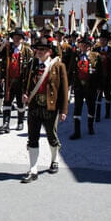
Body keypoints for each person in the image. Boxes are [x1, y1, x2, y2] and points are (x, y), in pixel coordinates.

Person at [21, 35, 68, 183]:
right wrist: (25, 93)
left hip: (50, 107)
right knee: (32, 138)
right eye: (37, 49)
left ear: (50, 51)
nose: (39, 52)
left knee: (51, 137)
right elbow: (25, 82)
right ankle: (33, 169)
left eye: (42, 49)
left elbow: (63, 90)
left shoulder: (58, 66)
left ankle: (54, 160)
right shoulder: (31, 64)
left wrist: (64, 110)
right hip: (35, 106)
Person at [0, 27, 33, 133]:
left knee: (20, 102)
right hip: (9, 81)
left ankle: (20, 122)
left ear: (22, 39)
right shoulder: (8, 48)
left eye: (18, 38)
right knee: (7, 101)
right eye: (14, 38)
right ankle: (6, 123)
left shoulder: (27, 50)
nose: (16, 40)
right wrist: (3, 45)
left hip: (21, 81)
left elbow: (31, 66)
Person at [69, 34, 102, 140]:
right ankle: (76, 132)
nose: (83, 47)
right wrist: (70, 84)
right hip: (78, 87)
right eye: (81, 45)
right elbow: (70, 70)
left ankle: (90, 126)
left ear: (89, 46)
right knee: (77, 108)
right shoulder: (76, 55)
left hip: (91, 87)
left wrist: (99, 86)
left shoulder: (95, 56)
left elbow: (100, 73)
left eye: (85, 45)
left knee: (91, 107)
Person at [92, 30, 111, 121]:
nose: (101, 41)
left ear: (107, 41)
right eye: (100, 39)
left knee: (107, 95)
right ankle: (97, 115)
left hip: (108, 77)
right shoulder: (95, 50)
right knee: (98, 95)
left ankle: (107, 112)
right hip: (98, 78)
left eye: (103, 40)